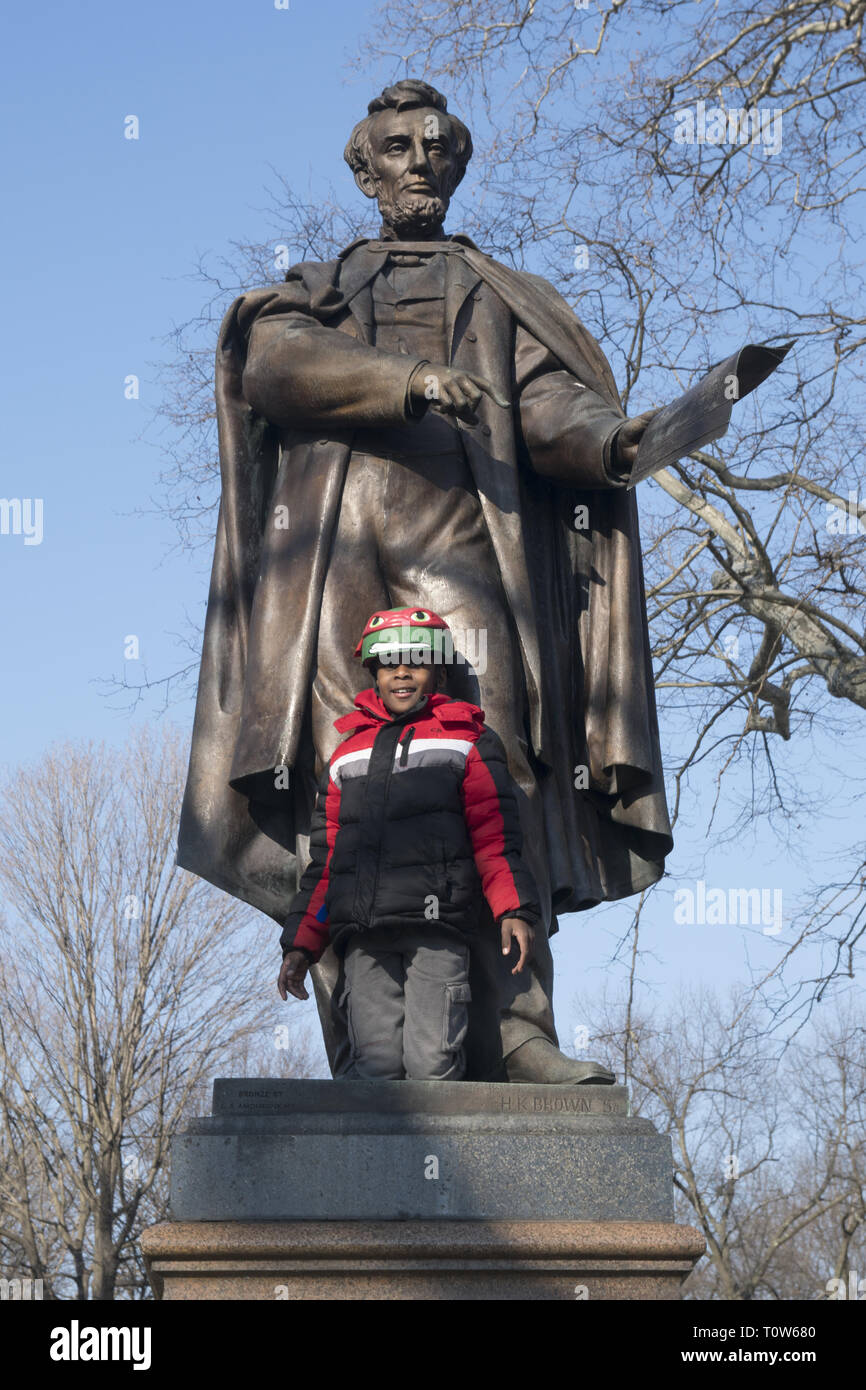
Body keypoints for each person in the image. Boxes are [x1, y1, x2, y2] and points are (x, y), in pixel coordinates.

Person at [177, 77, 673, 1084]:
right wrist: (403, 383)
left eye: (436, 149)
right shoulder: (314, 291)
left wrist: (614, 442)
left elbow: (547, 410)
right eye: (396, 149)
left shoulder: (497, 295)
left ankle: (516, 1029)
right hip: (333, 554)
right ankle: (364, 1051)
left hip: (462, 543)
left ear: (456, 162)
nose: (418, 164)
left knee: (495, 766)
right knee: (343, 785)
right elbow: (271, 364)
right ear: (363, 169)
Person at [278, 607, 541, 1080]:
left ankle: (440, 1157)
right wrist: (301, 945)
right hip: (363, 938)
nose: (402, 671)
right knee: (373, 1067)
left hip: (436, 934)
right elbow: (326, 864)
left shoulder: (469, 741)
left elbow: (495, 837)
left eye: (416, 660)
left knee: (433, 1062)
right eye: (388, 662)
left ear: (438, 670)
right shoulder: (346, 754)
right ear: (374, 673)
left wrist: (513, 909)